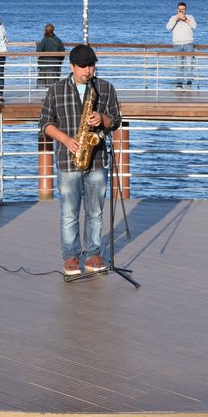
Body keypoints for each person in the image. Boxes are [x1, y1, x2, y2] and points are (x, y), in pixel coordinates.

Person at [38, 44, 122, 276]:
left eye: (91, 66)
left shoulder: (105, 88)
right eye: (83, 66)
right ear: (72, 66)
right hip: (67, 158)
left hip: (96, 160)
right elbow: (44, 123)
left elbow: (116, 120)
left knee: (95, 211)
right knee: (69, 212)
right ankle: (71, 256)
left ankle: (93, 253)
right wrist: (65, 139)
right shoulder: (56, 90)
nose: (88, 71)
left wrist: (102, 119)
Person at [166, 2, 197, 90]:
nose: (181, 11)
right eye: (180, 9)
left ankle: (189, 83)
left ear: (186, 9)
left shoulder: (190, 17)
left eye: (183, 9)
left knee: (189, 64)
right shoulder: (173, 18)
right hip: (177, 44)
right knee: (179, 65)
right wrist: (176, 18)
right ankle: (179, 84)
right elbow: (168, 27)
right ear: (177, 9)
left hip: (188, 44)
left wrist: (185, 19)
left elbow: (194, 26)